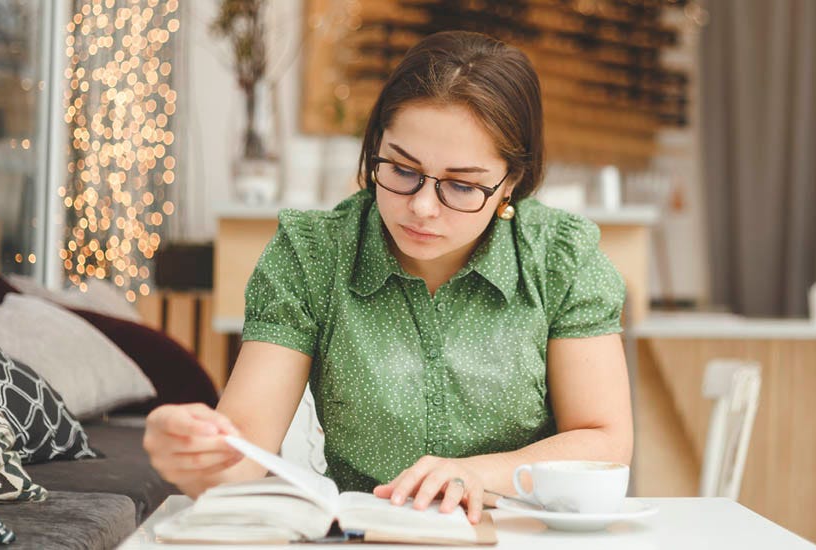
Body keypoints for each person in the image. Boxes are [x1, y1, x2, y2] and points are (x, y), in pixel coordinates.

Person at [143, 30, 632, 525]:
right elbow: (244, 449)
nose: (421, 208)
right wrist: (194, 454)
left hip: (519, 534)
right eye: (401, 169)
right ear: (375, 146)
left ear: (510, 182)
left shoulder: (560, 258)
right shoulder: (314, 255)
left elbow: (605, 440)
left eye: (461, 185)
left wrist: (477, 474)